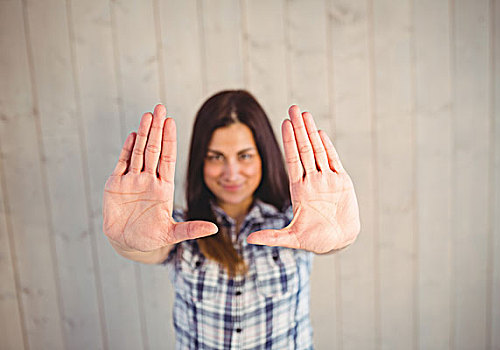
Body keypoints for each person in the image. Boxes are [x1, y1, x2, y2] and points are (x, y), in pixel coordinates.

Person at [103, 90, 360, 349]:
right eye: (216, 157)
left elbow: (329, 241)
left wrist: (342, 240)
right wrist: (124, 242)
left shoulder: (296, 220)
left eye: (245, 155)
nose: (231, 173)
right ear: (200, 161)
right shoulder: (178, 229)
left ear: (264, 157)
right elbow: (146, 248)